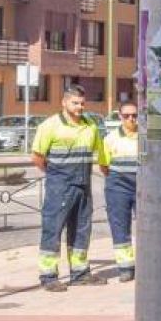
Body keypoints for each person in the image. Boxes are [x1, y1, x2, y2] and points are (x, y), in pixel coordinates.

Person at [31, 84, 106, 291]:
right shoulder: (50, 125)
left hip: (83, 184)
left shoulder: (90, 124)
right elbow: (37, 157)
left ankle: (80, 273)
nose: (79, 107)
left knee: (82, 229)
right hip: (60, 186)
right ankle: (48, 276)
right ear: (64, 102)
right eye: (75, 103)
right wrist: (55, 174)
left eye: (82, 103)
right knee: (53, 229)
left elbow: (100, 152)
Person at [99, 100, 139, 282]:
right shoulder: (110, 139)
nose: (131, 119)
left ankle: (149, 264)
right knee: (120, 227)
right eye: (127, 116)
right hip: (118, 186)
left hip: (143, 187)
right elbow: (104, 166)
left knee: (149, 226)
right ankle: (126, 268)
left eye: (135, 115)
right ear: (120, 117)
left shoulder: (147, 136)